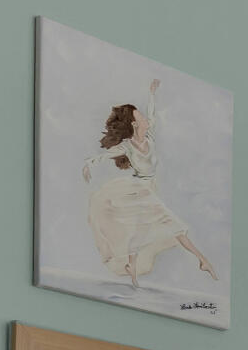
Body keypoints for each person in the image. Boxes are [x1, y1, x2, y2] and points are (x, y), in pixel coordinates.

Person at [83, 80, 218, 289]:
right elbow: (106, 155)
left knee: (139, 232)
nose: (146, 119)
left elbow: (153, 114)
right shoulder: (128, 146)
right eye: (141, 117)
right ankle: (203, 260)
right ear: (135, 124)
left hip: (149, 188)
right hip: (138, 190)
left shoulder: (150, 136)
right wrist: (88, 164)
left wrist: (152, 94)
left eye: (144, 116)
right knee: (174, 226)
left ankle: (132, 271)